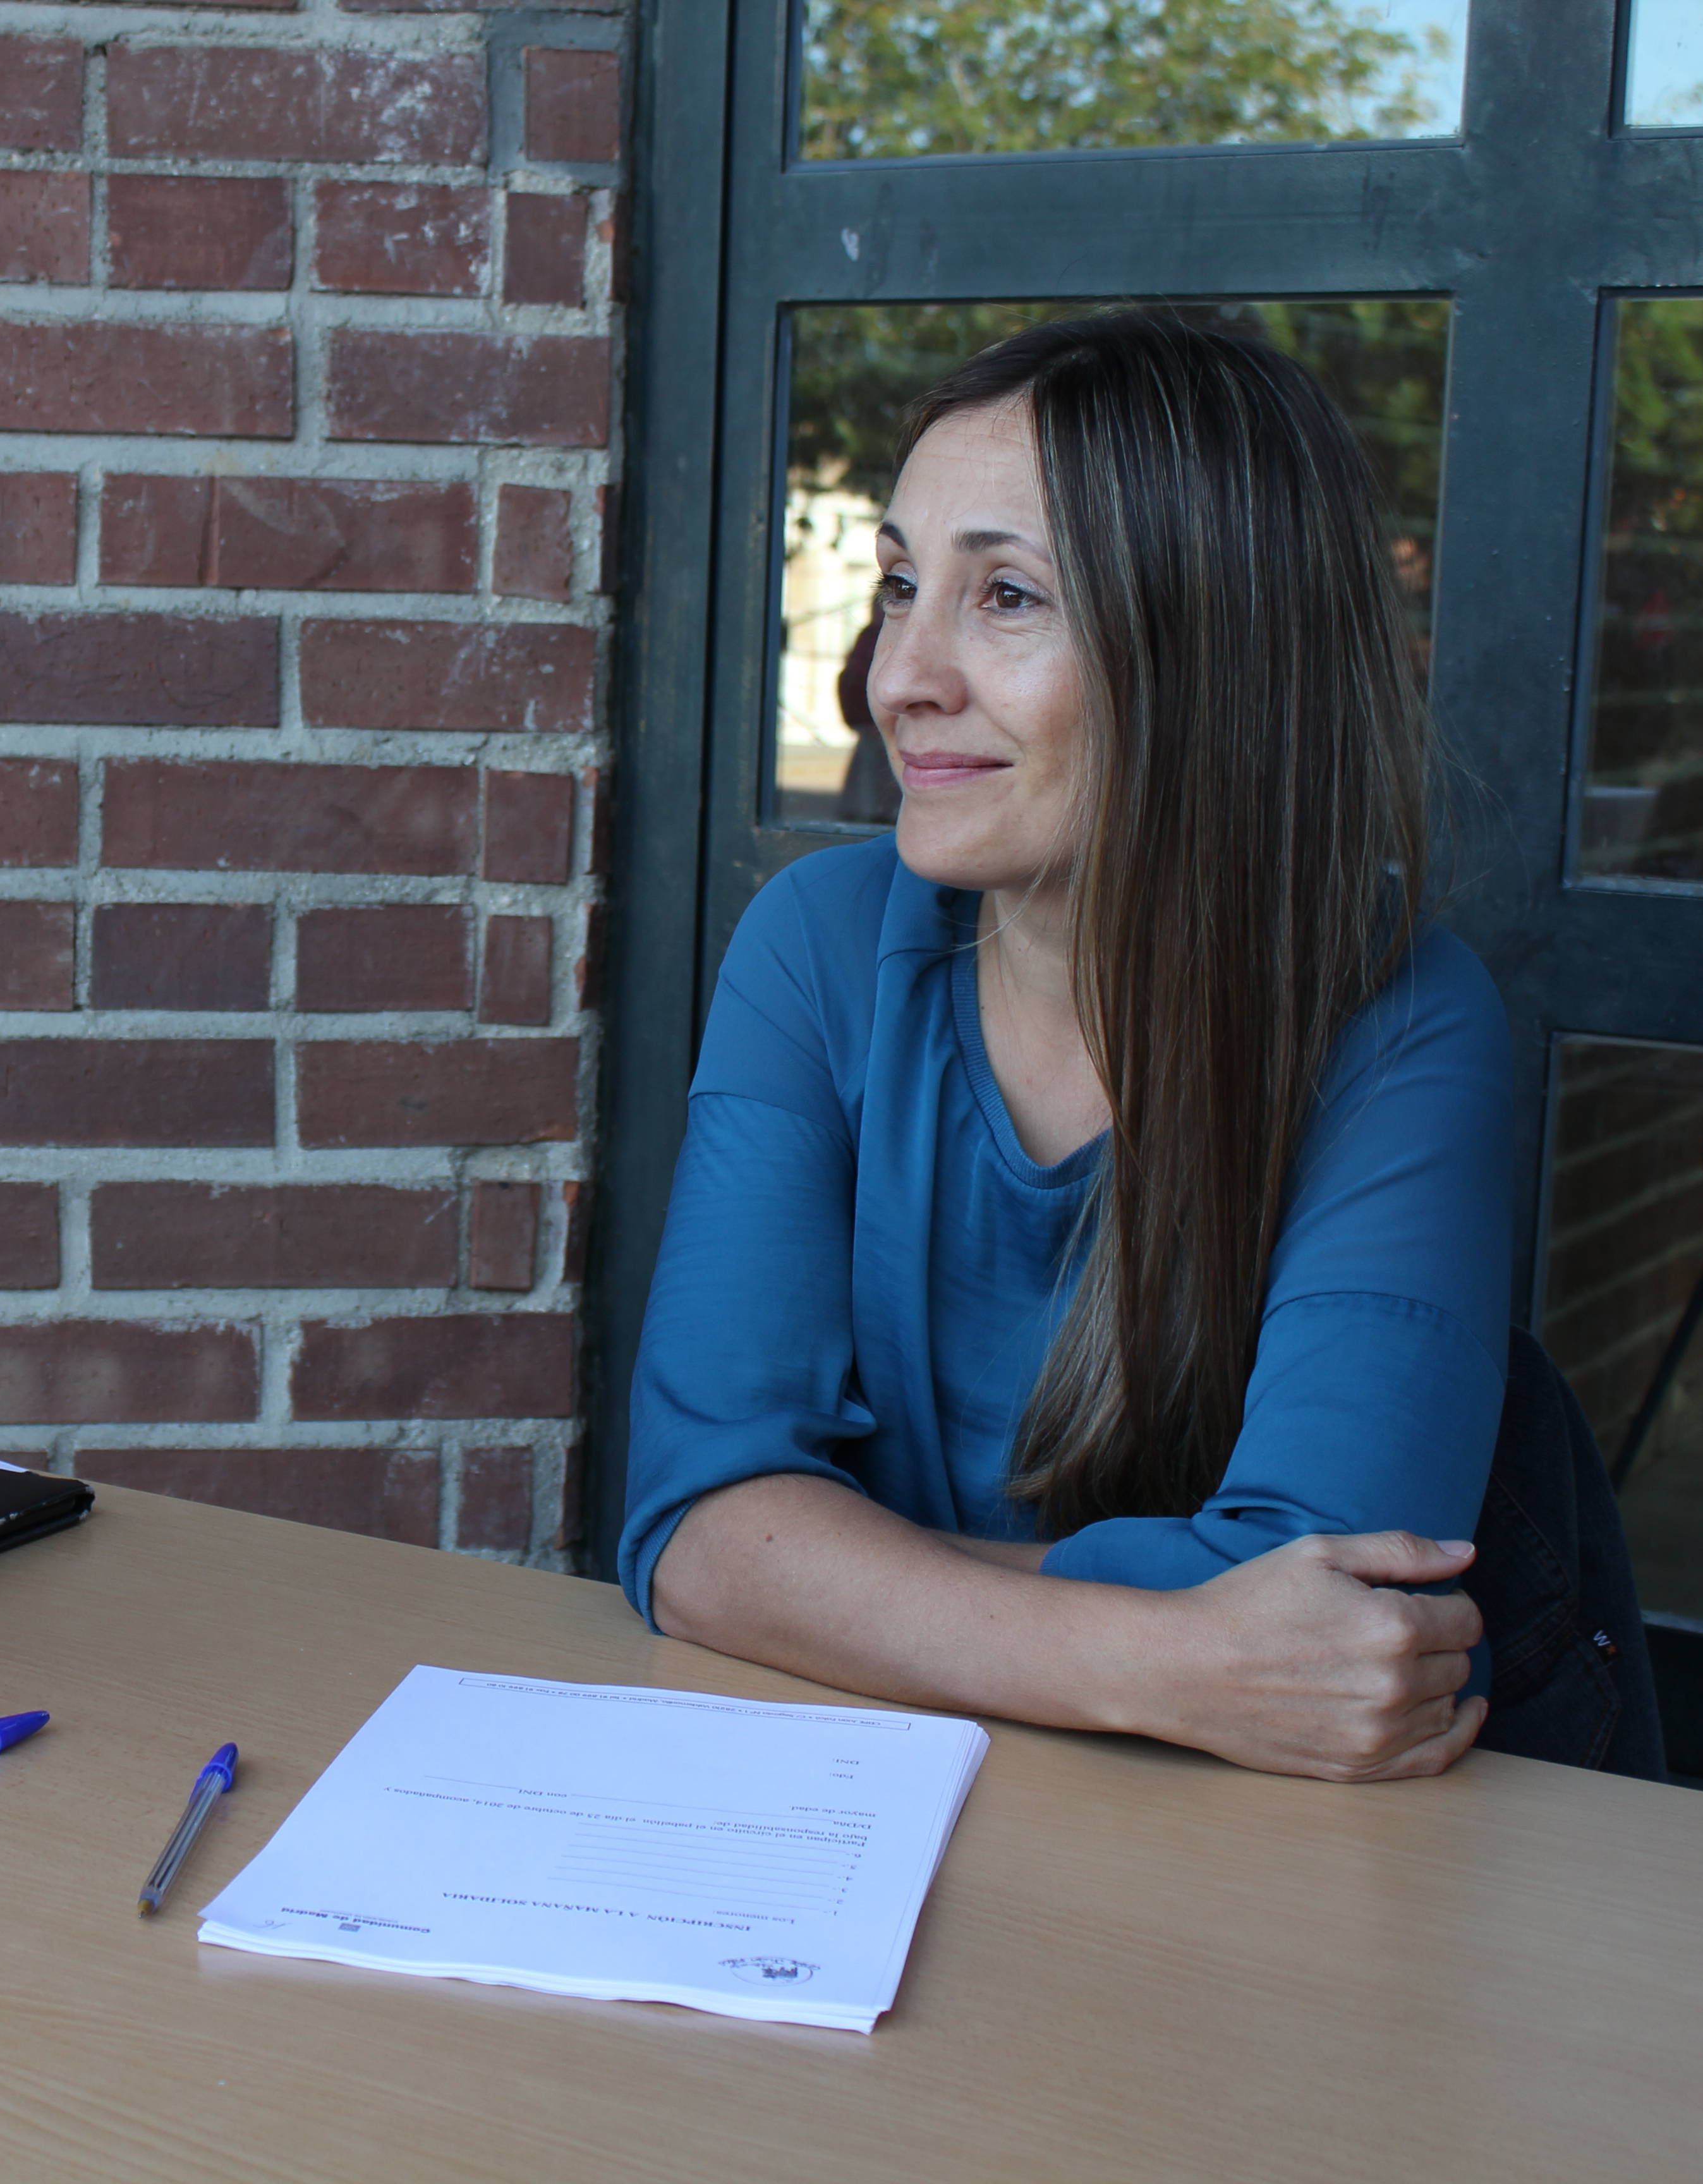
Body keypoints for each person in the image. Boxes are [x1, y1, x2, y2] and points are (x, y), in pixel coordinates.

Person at [626, 310, 1512, 1783]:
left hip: (1227, 1856)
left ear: (1214, 652)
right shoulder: (819, 944)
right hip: (846, 1799)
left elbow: (1345, 1620)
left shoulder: (1397, 1017)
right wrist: (1169, 1653)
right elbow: (702, 1538)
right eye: (900, 586)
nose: (895, 678)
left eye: (1007, 597)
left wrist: (845, 1571)